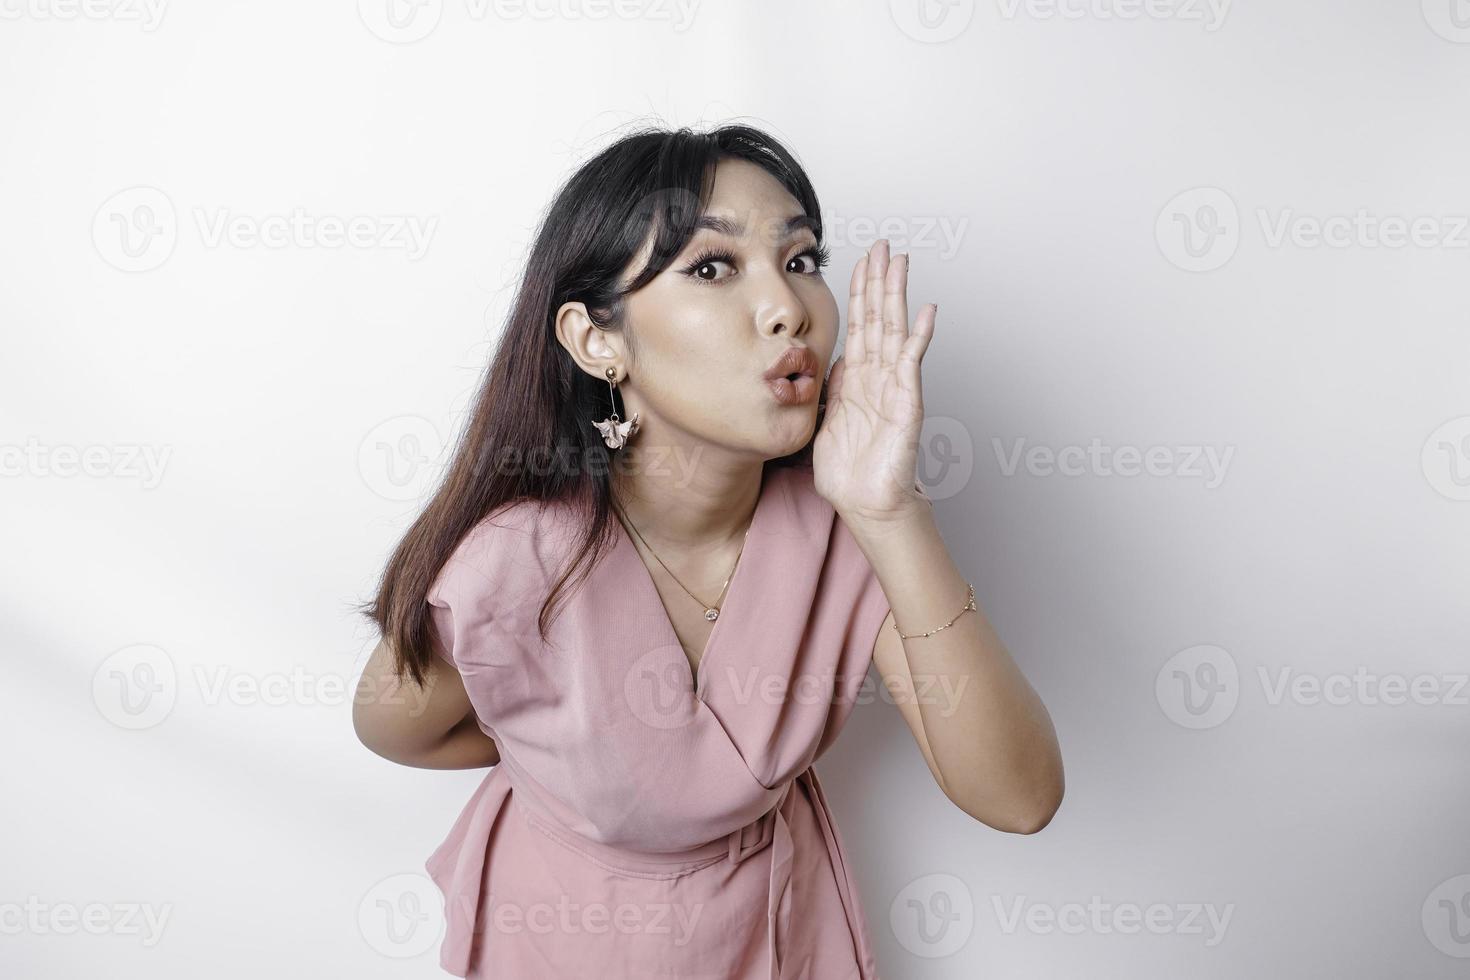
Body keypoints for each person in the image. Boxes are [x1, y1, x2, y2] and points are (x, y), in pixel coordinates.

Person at [353, 122, 1064, 979]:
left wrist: (890, 511)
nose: (789, 309)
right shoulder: (517, 561)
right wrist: (556, 759)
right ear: (595, 340)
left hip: (776, 938)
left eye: (801, 261)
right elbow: (396, 729)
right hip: (558, 939)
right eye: (712, 268)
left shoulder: (842, 535)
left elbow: (1020, 799)